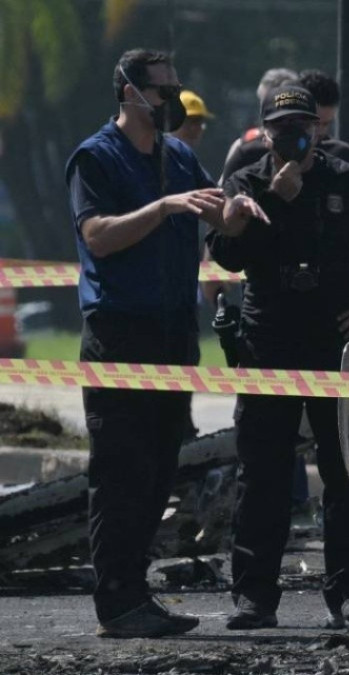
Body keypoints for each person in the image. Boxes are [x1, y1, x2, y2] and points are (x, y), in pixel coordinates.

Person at [65, 48, 265, 638]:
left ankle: (137, 595)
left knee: (157, 471)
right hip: (119, 334)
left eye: (177, 88)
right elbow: (97, 237)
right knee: (121, 472)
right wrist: (162, 207)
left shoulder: (179, 156)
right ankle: (117, 603)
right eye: (161, 91)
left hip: (173, 334)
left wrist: (243, 205)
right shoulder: (94, 158)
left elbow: (220, 219)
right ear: (128, 92)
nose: (172, 101)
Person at [207, 85, 349, 630]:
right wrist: (273, 201)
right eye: (281, 127)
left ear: (319, 128)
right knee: (263, 473)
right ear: (265, 130)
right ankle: (255, 596)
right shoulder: (246, 182)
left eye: (302, 124)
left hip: (334, 337)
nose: (293, 135)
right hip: (268, 340)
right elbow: (226, 258)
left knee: (346, 471)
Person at [223, 69, 349, 180]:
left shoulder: (342, 155)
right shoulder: (249, 154)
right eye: (309, 124)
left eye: (325, 124)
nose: (319, 132)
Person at [220, 67, 298, 184]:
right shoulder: (244, 147)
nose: (263, 111)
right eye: (262, 103)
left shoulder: (315, 150)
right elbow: (223, 191)